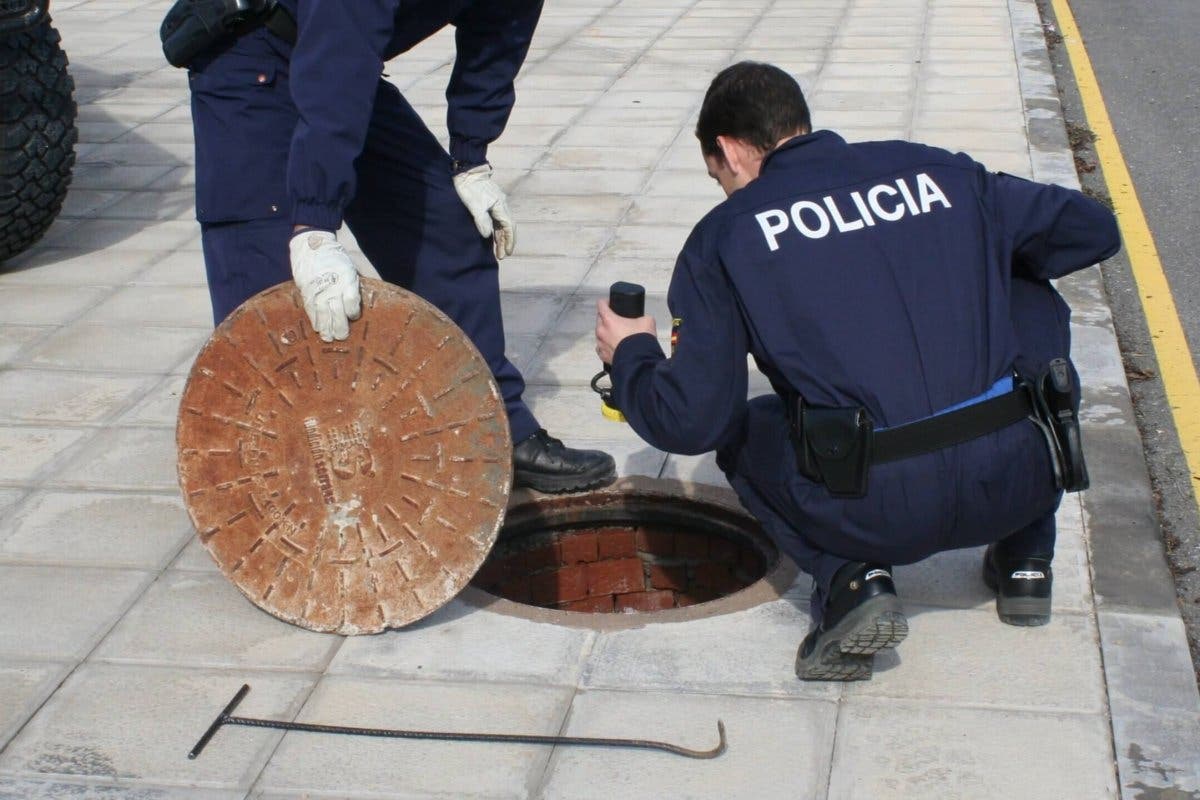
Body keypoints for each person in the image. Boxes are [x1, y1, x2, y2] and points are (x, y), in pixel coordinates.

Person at [594, 62, 1120, 681]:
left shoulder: (728, 236)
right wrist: (967, 227)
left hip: (876, 513)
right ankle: (1028, 554)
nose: (726, 191)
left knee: (742, 430)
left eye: (718, 177)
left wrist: (631, 354)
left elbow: (693, 420)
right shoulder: (941, 172)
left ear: (730, 150)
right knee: (1023, 280)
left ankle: (852, 583)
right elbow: (1093, 230)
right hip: (1019, 476)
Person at [173, 0, 615, 494]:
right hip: (252, 58)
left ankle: (492, 432)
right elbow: (340, 42)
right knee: (271, 307)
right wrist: (314, 226)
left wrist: (471, 155)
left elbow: (500, 26)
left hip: (340, 64)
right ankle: (265, 491)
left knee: (450, 238)